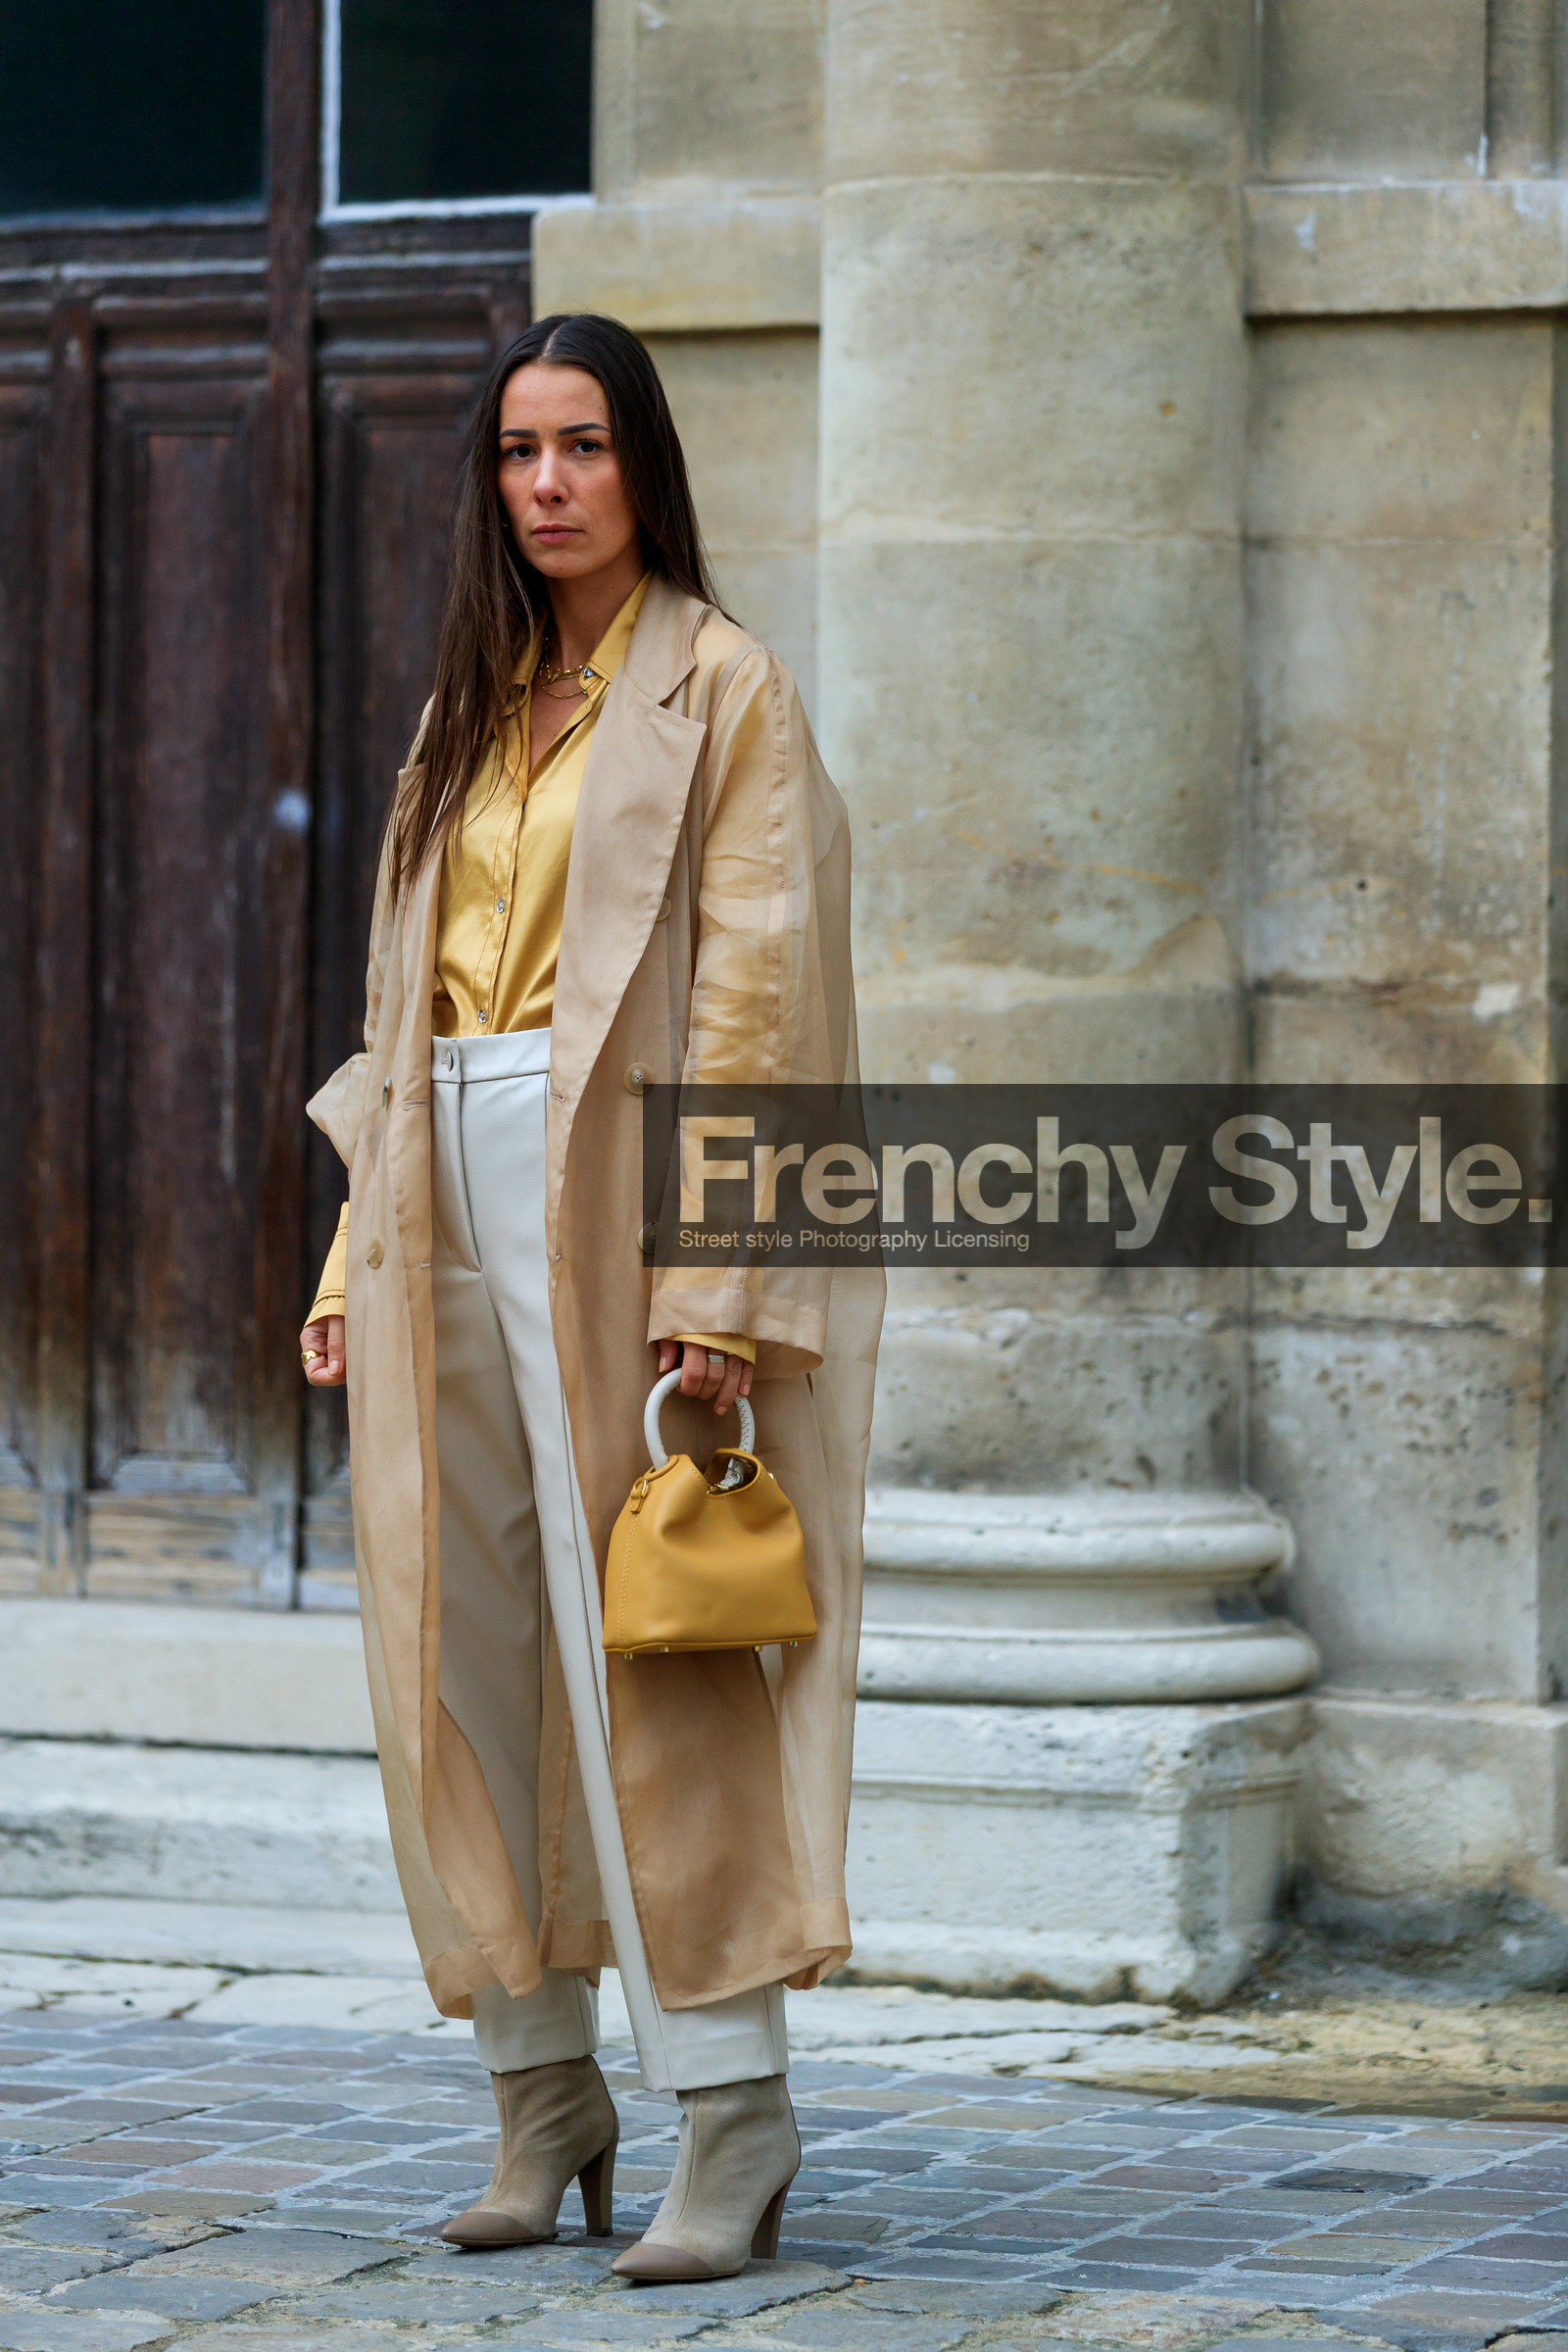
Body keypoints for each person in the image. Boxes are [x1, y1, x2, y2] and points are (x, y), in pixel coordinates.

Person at [298, 313, 882, 2281]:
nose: (544, 485)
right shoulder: (470, 708)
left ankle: (732, 2110)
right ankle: (541, 2094)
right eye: (516, 453)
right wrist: (344, 1246)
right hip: (434, 1199)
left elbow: (761, 1007)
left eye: (582, 448)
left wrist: (716, 1282)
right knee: (453, 1646)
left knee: (652, 1655)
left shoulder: (722, 693)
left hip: (618, 1200)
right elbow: (402, 1009)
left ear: (645, 466)